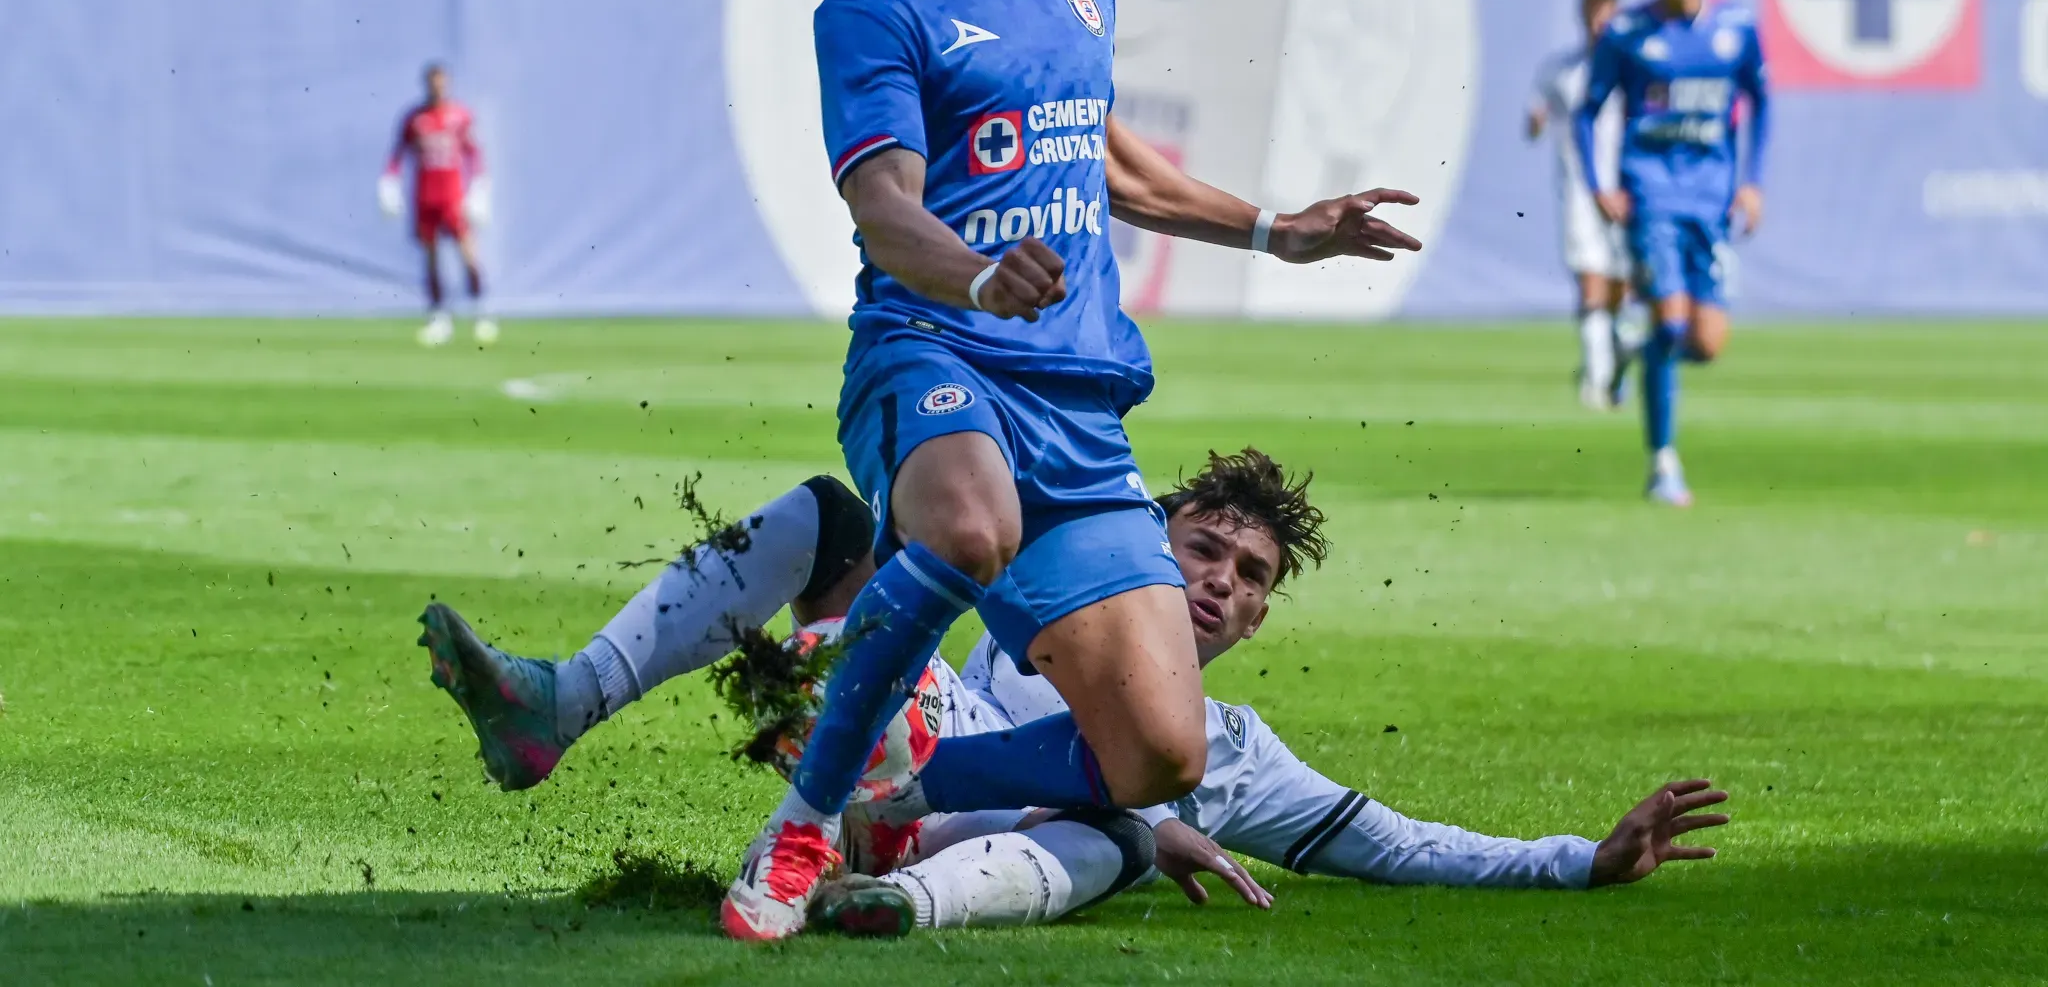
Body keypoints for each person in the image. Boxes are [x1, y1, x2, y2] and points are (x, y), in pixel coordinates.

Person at [711, 0, 1424, 942]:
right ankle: (803, 821)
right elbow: (884, 206)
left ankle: (898, 789)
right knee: (968, 524)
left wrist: (1279, 229)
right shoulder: (875, 7)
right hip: (932, 350)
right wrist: (978, 279)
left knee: (1157, 754)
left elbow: (1107, 160)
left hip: (1076, 404)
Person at [415, 450, 1728, 937]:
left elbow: (1397, 844)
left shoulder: (1232, 750)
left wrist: (1579, 861)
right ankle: (561, 701)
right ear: (1151, 540)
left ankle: (893, 904)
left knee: (1123, 836)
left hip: (930, 846)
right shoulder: (1039, 592)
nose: (1216, 580)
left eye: (1247, 575)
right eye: (1201, 547)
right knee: (832, 516)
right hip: (870, 739)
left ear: (1260, 615)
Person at [1576, 0, 1769, 506]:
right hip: (1652, 195)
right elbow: (1587, 111)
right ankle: (1663, 462)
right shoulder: (1628, 32)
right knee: (1674, 321)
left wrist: (1752, 182)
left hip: (1711, 201)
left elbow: (1761, 99)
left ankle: (1637, 348)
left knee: (1705, 344)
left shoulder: (1735, 28)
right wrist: (1600, 186)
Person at [1526, 0, 1645, 410]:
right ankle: (1598, 378)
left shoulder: (1635, 69)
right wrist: (1537, 121)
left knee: (1623, 284)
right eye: (1595, 18)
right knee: (1590, 278)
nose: (1601, 27)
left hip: (1627, 189)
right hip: (1579, 190)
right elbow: (1534, 121)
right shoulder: (1563, 72)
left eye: (1608, 18)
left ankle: (1616, 354)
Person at [380, 62, 495, 347]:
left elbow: (475, 154)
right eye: (434, 83)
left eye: (442, 83)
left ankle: (481, 312)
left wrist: (479, 189)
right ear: (427, 84)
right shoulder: (415, 119)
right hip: (426, 197)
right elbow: (397, 155)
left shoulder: (459, 116)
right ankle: (439, 318)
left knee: (468, 255)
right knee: (431, 260)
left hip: (452, 197)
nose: (438, 88)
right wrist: (389, 183)